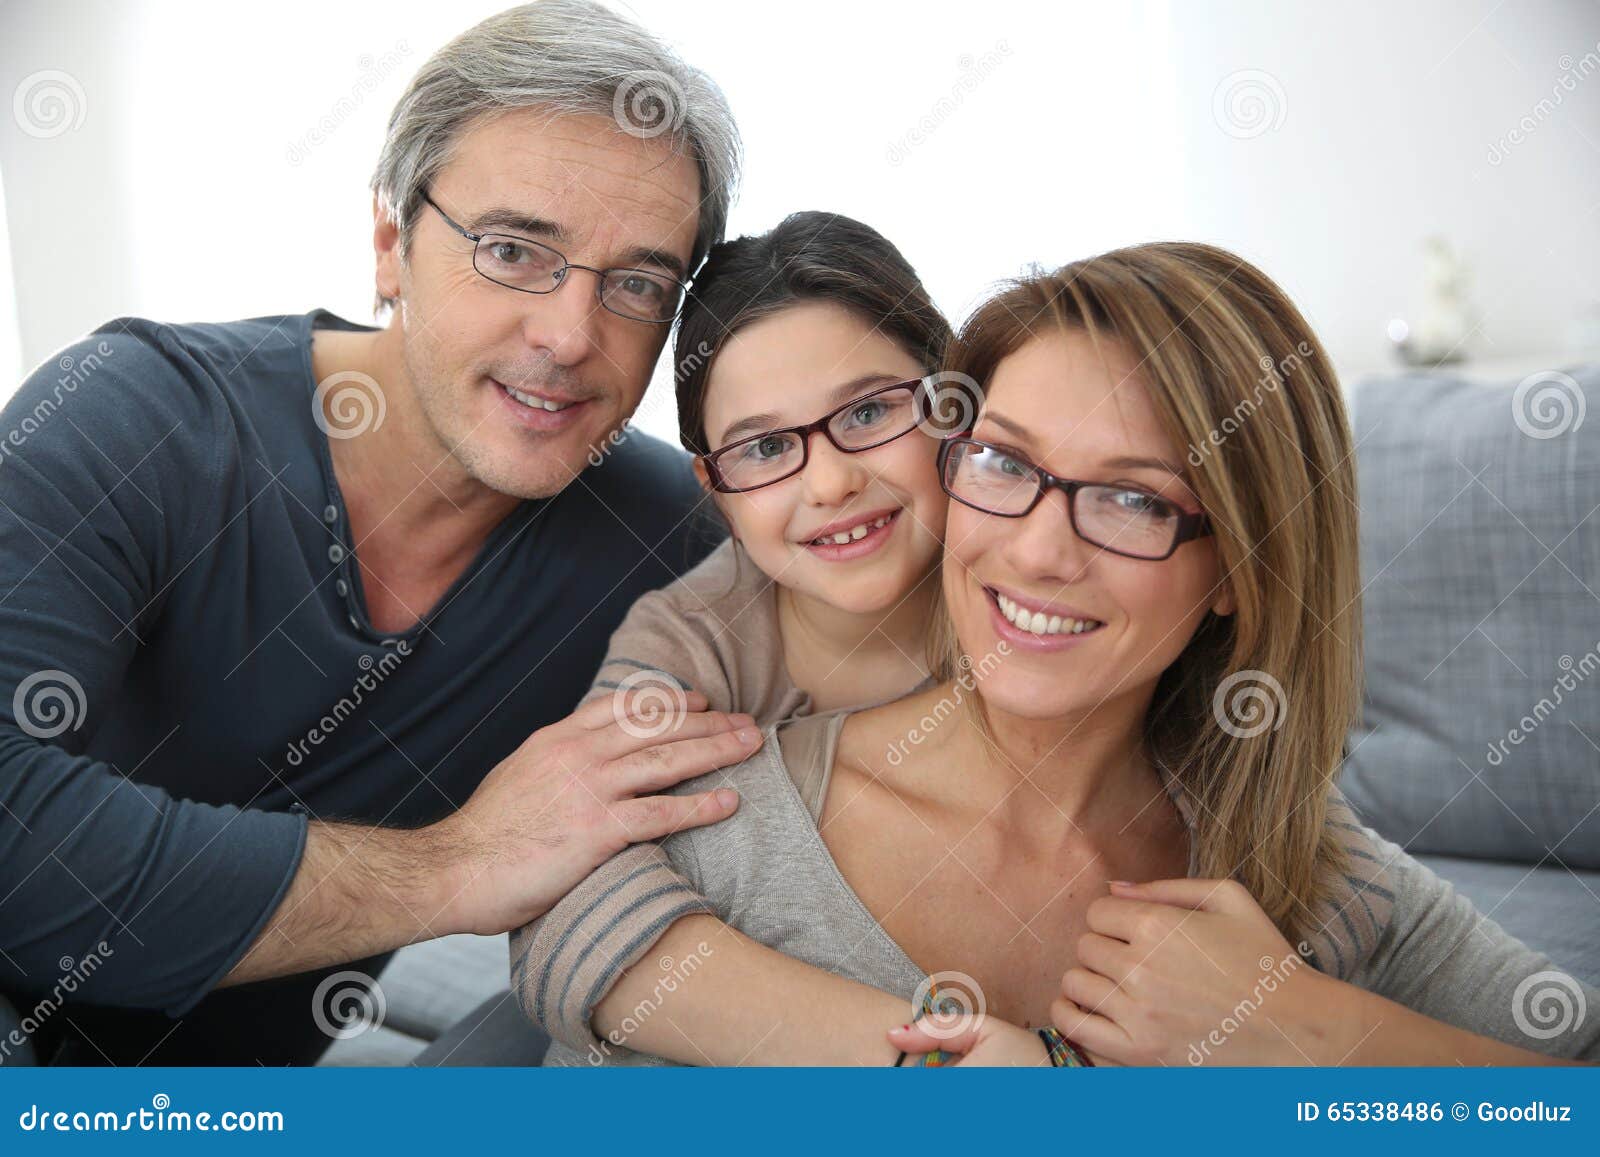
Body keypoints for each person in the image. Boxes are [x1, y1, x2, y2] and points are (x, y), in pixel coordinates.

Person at [524, 243, 1600, 1067]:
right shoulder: (717, 823)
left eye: (1133, 498)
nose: (1037, 550)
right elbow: (556, 900)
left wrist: (1302, 1029)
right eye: (1004, 462)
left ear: (1237, 568)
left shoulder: (1305, 865)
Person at [0, 0, 756, 1066]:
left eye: (636, 283)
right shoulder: (133, 417)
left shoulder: (660, 534)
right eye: (512, 250)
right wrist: (458, 863)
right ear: (392, 242)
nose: (570, 335)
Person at [506, 211, 959, 1049]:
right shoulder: (690, 636)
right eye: (763, 448)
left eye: (866, 413)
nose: (828, 482)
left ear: (951, 404)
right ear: (714, 487)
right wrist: (914, 1061)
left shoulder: (1036, 574)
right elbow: (560, 889)